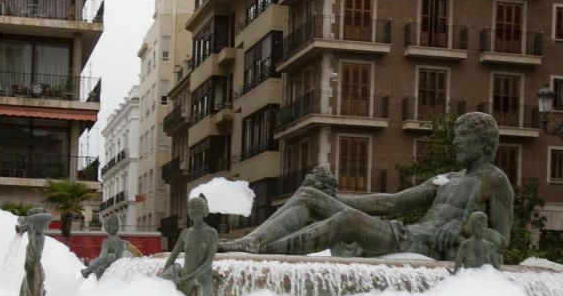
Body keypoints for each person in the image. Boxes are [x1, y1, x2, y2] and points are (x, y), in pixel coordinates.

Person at [219, 112, 513, 261]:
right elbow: (392, 203)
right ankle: (253, 243)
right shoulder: (449, 178)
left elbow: (503, 239)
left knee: (348, 220)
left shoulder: (495, 181)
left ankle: (266, 252)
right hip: (405, 234)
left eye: (462, 135)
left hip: (424, 246)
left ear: (482, 139)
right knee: (309, 195)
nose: (456, 141)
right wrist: (330, 198)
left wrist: (467, 230)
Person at [161, 194, 220, 296]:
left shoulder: (212, 233)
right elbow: (171, 259)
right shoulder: (185, 233)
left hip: (202, 277)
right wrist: (174, 276)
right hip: (184, 277)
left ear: (203, 211)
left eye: (196, 207)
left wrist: (189, 278)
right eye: (190, 208)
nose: (192, 210)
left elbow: (208, 262)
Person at [15, 208, 54, 296]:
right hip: (30, 272)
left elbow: (37, 255)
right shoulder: (31, 229)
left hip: (35, 271)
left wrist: (27, 221)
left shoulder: (39, 236)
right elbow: (20, 220)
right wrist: (25, 223)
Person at [82, 215, 127, 279]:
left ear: (107, 228)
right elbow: (119, 258)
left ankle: (87, 271)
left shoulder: (107, 241)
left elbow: (102, 257)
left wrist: (89, 269)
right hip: (113, 267)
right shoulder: (120, 242)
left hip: (105, 266)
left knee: (92, 262)